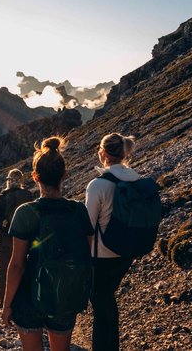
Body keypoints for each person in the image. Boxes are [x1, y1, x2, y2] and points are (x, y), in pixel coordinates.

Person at [2, 136, 93, 351]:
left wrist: (7, 305)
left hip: (28, 299)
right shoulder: (79, 210)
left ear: (35, 177)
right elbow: (87, 253)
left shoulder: (26, 213)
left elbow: (17, 264)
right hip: (65, 296)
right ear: (64, 175)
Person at [85, 133, 138, 351]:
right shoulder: (136, 178)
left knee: (100, 301)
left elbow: (87, 225)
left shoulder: (98, 184)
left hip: (102, 255)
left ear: (103, 153)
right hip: (127, 252)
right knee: (106, 298)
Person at [0, 168, 33, 305]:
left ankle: (5, 302)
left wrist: (5, 226)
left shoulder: (3, 197)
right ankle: (25, 299)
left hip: (6, 239)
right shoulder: (28, 195)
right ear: (21, 181)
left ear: (8, 181)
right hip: (26, 239)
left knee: (5, 269)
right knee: (24, 266)